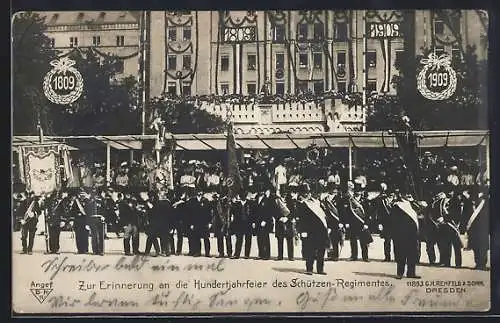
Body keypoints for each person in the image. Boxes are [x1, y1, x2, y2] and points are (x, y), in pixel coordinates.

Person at [295, 183, 330, 275]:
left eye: (318, 193)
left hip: (321, 230)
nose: (317, 195)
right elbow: (301, 219)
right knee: (310, 251)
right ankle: (309, 269)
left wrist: (328, 227)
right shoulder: (304, 204)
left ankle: (320, 269)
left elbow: (326, 216)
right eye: (315, 193)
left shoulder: (321, 204)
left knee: (321, 251)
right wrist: (302, 231)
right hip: (310, 231)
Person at [391, 191, 424, 279]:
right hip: (401, 233)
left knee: (412, 254)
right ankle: (400, 273)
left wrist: (413, 201)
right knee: (401, 254)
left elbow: (422, 210)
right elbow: (393, 220)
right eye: (406, 193)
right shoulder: (396, 205)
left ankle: (411, 273)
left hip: (413, 233)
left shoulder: (412, 204)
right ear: (401, 195)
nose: (408, 195)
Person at [345, 182, 371, 262]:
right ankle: (354, 256)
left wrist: (366, 223)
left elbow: (368, 213)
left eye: (359, 191)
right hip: (353, 223)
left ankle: (365, 257)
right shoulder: (350, 200)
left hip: (362, 223)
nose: (357, 192)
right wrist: (347, 222)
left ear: (361, 192)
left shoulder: (365, 201)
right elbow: (347, 212)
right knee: (353, 240)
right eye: (356, 191)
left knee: (364, 241)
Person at [466, 188, 489, 270]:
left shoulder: (486, 203)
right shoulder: (470, 204)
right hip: (474, 229)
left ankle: (482, 264)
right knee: (475, 247)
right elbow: (467, 215)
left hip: (483, 228)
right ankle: (478, 263)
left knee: (482, 246)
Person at [374, 183, 394, 262]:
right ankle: (387, 257)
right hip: (386, 223)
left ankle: (398, 257)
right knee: (387, 240)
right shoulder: (381, 200)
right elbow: (379, 212)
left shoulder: (397, 200)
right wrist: (379, 223)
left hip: (397, 223)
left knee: (398, 242)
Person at [231, 189, 253, 259]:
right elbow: (233, 214)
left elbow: (253, 214)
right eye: (241, 196)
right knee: (239, 240)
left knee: (248, 239)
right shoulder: (236, 204)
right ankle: (236, 254)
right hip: (239, 224)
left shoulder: (250, 203)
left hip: (248, 224)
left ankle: (247, 254)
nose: (243, 197)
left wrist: (253, 222)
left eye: (244, 195)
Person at [274, 191, 294, 261]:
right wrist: (279, 218)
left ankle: (291, 256)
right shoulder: (276, 201)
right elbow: (274, 211)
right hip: (279, 221)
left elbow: (294, 211)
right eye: (283, 193)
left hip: (288, 222)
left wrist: (288, 218)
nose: (284, 195)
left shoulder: (291, 201)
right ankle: (280, 256)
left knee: (290, 239)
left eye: (285, 194)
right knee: (280, 239)